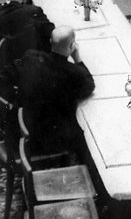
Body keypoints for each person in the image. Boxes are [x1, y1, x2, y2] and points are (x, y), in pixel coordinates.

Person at [15, 26, 94, 158]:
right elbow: (89, 85)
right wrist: (77, 58)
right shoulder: (74, 73)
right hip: (50, 139)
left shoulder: (31, 56)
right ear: (72, 46)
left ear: (50, 42)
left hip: (26, 124)